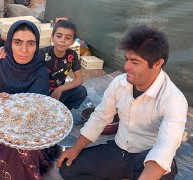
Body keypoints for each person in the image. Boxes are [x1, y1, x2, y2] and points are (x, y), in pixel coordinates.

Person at [57, 25, 188, 180]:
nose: (126, 67)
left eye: (135, 62)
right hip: (119, 150)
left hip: (147, 157)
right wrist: (76, 148)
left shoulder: (174, 100)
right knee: (68, 168)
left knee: (163, 172)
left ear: (158, 63)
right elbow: (100, 118)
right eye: (126, 59)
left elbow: (164, 150)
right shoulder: (119, 83)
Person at [0, 20, 51, 180]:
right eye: (18, 42)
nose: (24, 50)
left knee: (22, 147)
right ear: (9, 43)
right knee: (10, 149)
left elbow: (38, 109)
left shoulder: (39, 69)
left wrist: (19, 115)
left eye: (31, 43)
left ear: (37, 45)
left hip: (26, 128)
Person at [41, 20, 87, 110]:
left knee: (81, 91)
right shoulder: (43, 53)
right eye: (59, 36)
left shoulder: (72, 55)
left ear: (73, 41)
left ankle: (64, 111)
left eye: (68, 38)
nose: (62, 40)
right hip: (41, 92)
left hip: (58, 91)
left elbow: (79, 79)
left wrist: (60, 89)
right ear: (52, 37)